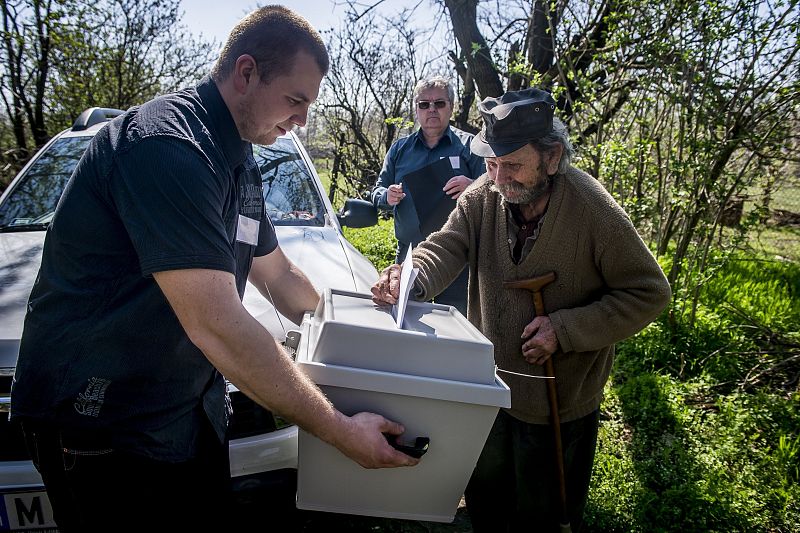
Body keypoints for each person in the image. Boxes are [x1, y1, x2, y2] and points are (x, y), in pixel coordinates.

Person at [10, 6, 417, 533]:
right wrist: (339, 430)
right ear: (246, 72)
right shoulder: (168, 148)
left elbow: (281, 277)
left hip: (182, 413)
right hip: (104, 428)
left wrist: (367, 340)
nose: (302, 121)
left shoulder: (239, 162)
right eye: (295, 100)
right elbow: (217, 325)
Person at [371, 87, 671, 532]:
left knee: (545, 515)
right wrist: (410, 278)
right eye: (491, 164)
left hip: (559, 403)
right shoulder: (484, 194)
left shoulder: (591, 207)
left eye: (512, 165)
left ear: (552, 158)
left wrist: (565, 329)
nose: (498, 177)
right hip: (488, 390)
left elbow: (649, 292)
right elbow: (447, 246)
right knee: (488, 506)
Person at [370, 76, 485, 316]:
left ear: (451, 107)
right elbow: (377, 190)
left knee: (455, 324)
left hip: (456, 255)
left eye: (439, 103)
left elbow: (494, 191)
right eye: (424, 104)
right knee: (405, 320)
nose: (431, 109)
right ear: (416, 109)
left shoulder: (470, 146)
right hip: (408, 253)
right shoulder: (400, 149)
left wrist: (473, 186)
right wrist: (386, 196)